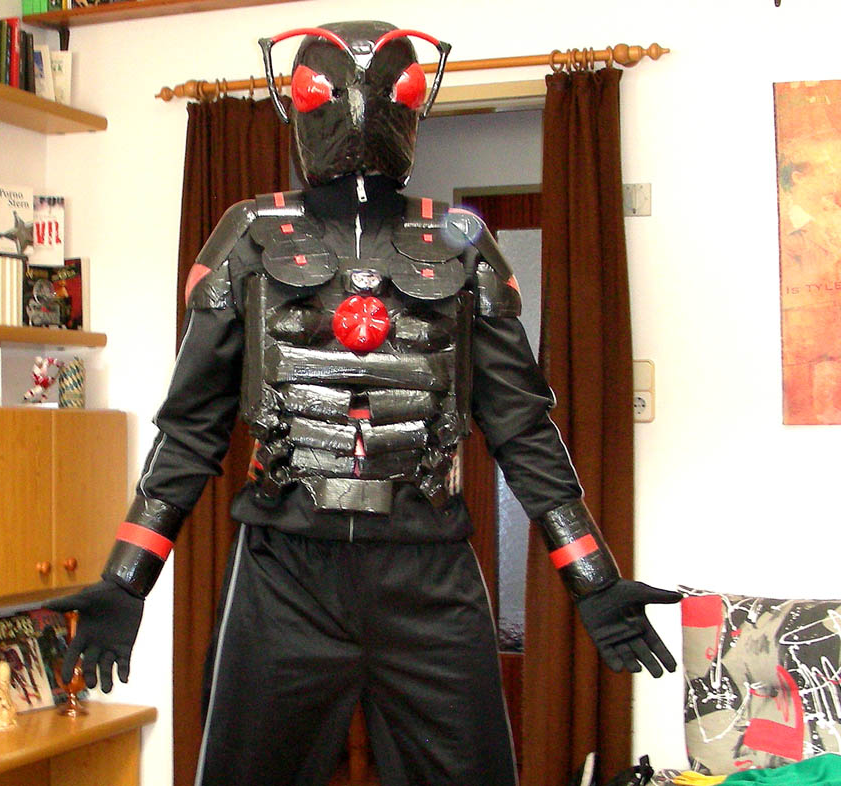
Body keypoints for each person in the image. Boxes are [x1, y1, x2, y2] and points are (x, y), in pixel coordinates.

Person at [47, 20, 681, 786]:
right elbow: (190, 430)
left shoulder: (461, 241)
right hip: (284, 578)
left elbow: (522, 428)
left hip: (429, 574)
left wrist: (594, 578)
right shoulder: (249, 237)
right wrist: (126, 579)